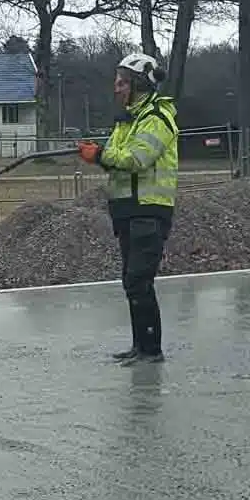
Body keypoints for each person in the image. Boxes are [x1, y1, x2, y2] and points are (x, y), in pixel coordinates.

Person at [78, 52, 178, 364]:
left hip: (149, 210)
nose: (116, 89)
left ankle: (152, 350)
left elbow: (136, 159)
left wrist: (100, 155)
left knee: (139, 280)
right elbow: (116, 156)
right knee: (131, 281)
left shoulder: (156, 119)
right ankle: (141, 347)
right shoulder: (128, 121)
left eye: (122, 83)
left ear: (138, 85)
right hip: (128, 211)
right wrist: (100, 153)